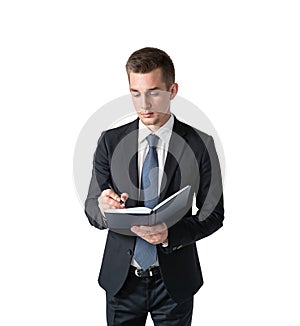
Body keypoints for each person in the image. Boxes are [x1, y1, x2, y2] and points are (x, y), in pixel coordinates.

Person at [85, 47, 224, 326]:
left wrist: (169, 234)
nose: (144, 104)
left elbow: (213, 214)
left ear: (172, 90)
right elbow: (91, 207)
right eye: (135, 93)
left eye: (154, 92)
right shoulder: (110, 142)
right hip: (121, 282)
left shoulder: (200, 145)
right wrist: (102, 208)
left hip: (174, 282)